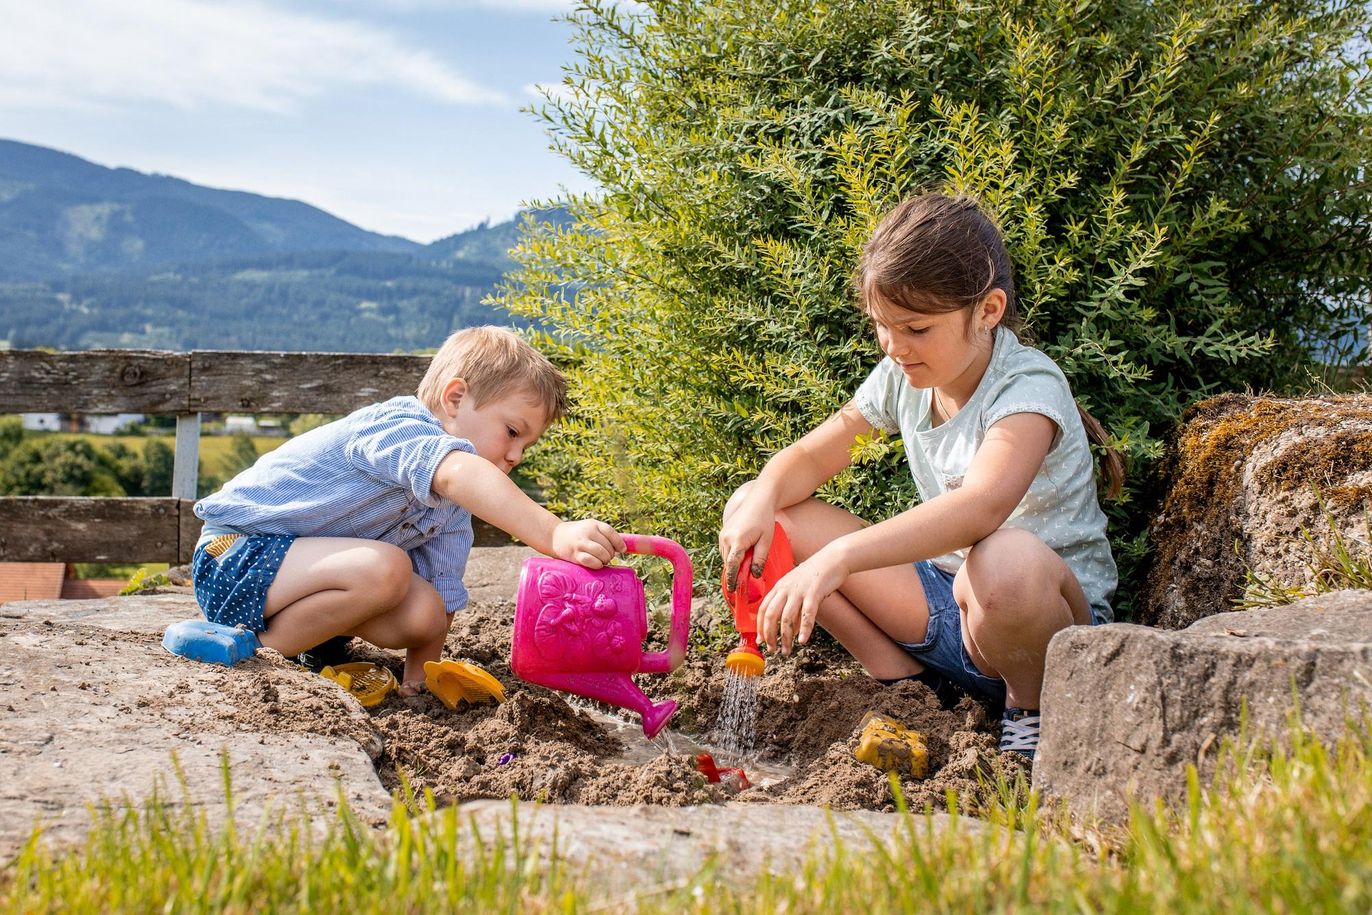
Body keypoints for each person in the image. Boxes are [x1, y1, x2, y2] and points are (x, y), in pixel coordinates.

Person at [717, 193, 1122, 760]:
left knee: (1004, 561)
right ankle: (905, 681)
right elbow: (812, 457)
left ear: (987, 310)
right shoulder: (902, 375)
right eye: (883, 326)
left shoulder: (1028, 389)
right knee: (764, 509)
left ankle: (1029, 720)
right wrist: (762, 495)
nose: (895, 347)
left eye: (916, 328)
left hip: (1038, 630)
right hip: (942, 605)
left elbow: (980, 508)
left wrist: (840, 558)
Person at [192, 326, 624, 695]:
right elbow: (460, 473)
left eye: (525, 446)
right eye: (512, 432)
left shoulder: (451, 508)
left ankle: (313, 643)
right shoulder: (396, 428)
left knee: (426, 610)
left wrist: (421, 680)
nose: (515, 456)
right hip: (233, 556)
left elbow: (444, 591)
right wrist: (552, 534)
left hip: (296, 583)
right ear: (455, 399)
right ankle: (256, 650)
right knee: (388, 567)